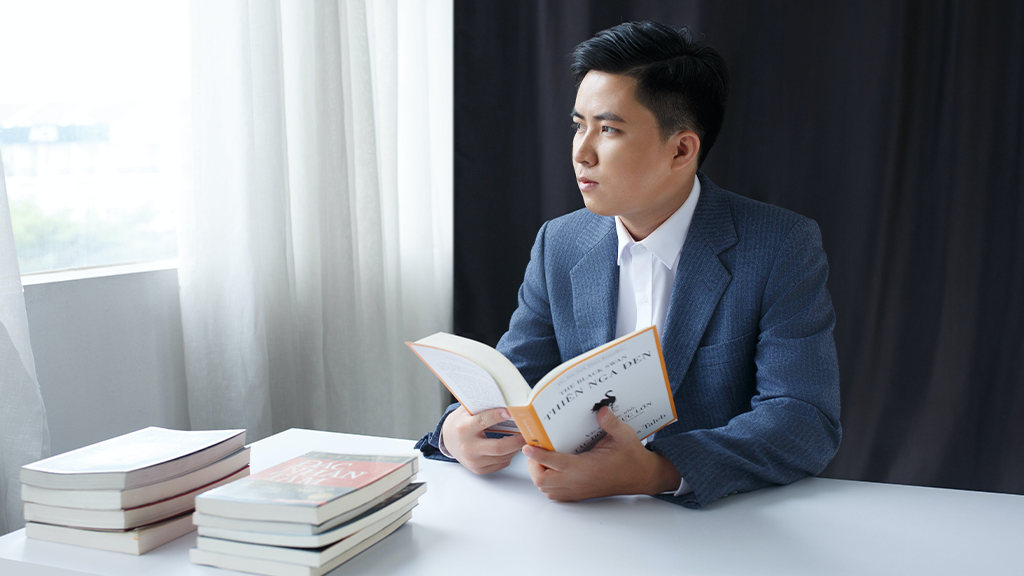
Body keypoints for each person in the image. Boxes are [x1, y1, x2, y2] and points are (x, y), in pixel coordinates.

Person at [415, 21, 841, 509]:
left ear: (681, 148)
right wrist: (455, 433)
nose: (581, 152)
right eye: (579, 125)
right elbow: (514, 382)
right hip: (575, 523)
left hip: (720, 527)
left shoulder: (780, 245)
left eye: (609, 129)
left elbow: (805, 418)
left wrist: (657, 471)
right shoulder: (560, 242)